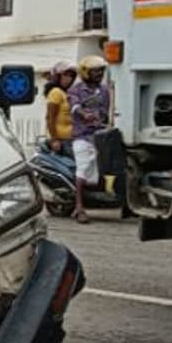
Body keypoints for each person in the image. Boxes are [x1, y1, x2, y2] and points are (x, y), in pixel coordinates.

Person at [67, 55, 111, 224]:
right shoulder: (76, 90)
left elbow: (105, 111)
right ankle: (79, 208)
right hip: (82, 135)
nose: (99, 74)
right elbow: (75, 107)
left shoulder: (104, 90)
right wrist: (85, 114)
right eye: (95, 71)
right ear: (85, 73)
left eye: (101, 70)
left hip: (99, 136)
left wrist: (101, 119)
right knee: (83, 169)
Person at [43, 60, 76, 157]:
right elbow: (50, 118)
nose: (68, 79)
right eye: (65, 75)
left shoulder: (66, 93)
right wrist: (54, 140)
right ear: (58, 76)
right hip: (62, 141)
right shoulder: (56, 92)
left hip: (72, 139)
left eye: (71, 76)